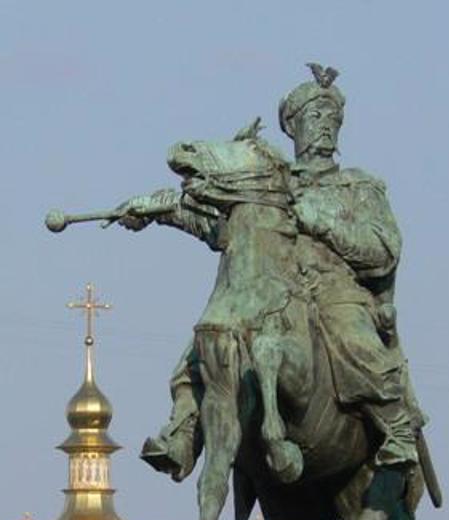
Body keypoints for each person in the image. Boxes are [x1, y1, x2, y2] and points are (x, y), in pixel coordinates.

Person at [138, 64, 424, 481]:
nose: (324, 127)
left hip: (334, 291)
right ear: (293, 128)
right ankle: (183, 433)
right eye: (314, 118)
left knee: (356, 342)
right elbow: (223, 232)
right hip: (271, 291)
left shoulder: (359, 187)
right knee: (203, 349)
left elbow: (384, 252)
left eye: (332, 120)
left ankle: (396, 428)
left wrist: (322, 222)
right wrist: (162, 212)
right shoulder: (269, 181)